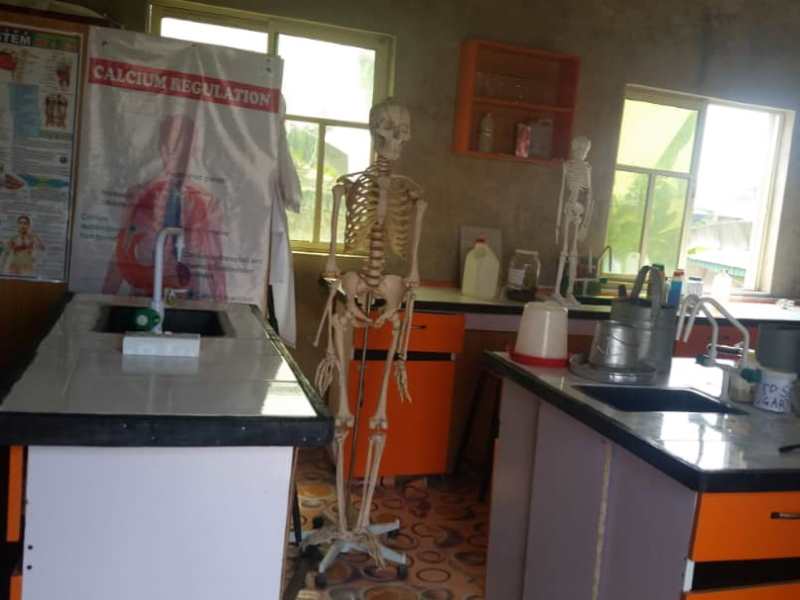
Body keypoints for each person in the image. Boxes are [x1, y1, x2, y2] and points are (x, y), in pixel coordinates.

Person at [102, 114, 227, 299]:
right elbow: (120, 256)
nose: (176, 158)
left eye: (183, 151)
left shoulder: (208, 204)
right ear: (162, 150)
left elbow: (215, 264)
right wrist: (103, 304)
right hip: (143, 300)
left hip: (185, 301)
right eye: (172, 149)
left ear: (192, 152)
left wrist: (222, 309)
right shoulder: (138, 196)